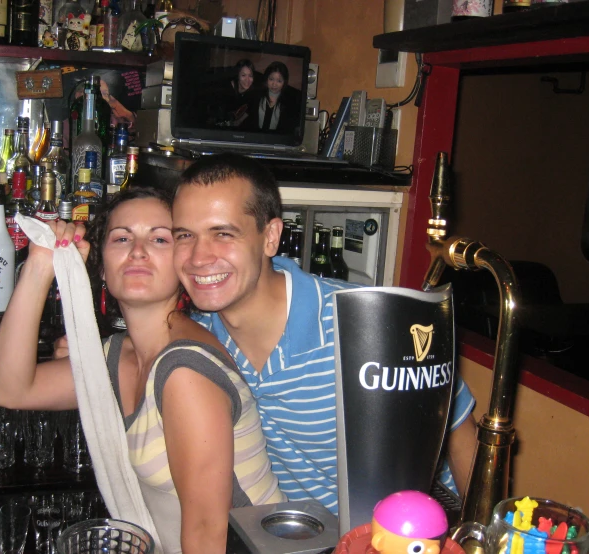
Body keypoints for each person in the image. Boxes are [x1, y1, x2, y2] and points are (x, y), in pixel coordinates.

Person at [170, 153, 478, 516]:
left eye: (223, 233)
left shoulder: (367, 326)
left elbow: (460, 435)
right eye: (185, 235)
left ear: (270, 237)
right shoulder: (202, 337)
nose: (198, 257)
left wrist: (481, 534)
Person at [0, 186, 284, 554]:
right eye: (122, 237)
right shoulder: (118, 354)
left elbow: (209, 535)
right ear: (101, 264)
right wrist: (41, 264)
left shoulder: (184, 370)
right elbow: (9, 390)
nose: (138, 251)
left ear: (182, 260)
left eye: (159, 239)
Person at [246, 61, 300, 133]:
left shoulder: (289, 103)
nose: (274, 84)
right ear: (266, 79)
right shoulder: (256, 96)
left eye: (279, 81)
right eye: (271, 79)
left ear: (284, 82)